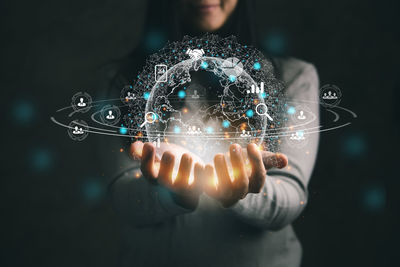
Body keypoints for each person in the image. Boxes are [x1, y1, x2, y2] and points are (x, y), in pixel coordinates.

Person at [108, 0, 319, 266]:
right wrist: (173, 193)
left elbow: (289, 200)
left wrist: (242, 191)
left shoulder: (293, 76)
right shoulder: (123, 81)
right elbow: (125, 201)